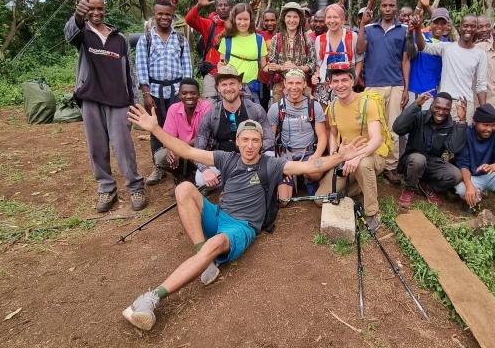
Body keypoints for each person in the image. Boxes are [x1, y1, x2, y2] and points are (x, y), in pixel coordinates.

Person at [123, 106, 368, 331]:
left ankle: (152, 298)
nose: (250, 145)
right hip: (219, 216)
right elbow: (186, 150)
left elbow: (308, 167)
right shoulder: (226, 158)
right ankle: (205, 259)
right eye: (245, 140)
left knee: (215, 244)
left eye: (255, 141)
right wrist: (155, 129)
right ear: (237, 142)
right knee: (183, 189)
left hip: (241, 228)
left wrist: (338, 157)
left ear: (262, 143)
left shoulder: (271, 164)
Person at [64, 0, 146, 212]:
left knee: (123, 146)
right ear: (84, 10)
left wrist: (134, 103)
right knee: (97, 147)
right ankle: (106, 188)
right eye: (91, 9)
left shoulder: (118, 39)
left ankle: (135, 187)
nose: (96, 13)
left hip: (119, 101)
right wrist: (77, 17)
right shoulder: (82, 33)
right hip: (91, 99)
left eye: (100, 8)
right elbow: (70, 34)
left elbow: (130, 73)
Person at [314, 65, 386, 229]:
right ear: (330, 84)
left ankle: (372, 212)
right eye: (335, 81)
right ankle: (361, 187)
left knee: (363, 165)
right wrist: (335, 155)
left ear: (352, 80)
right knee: (320, 199)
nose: (340, 85)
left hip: (371, 155)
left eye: (345, 80)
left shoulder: (367, 103)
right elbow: (333, 133)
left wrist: (357, 157)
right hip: (347, 158)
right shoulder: (332, 107)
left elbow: (377, 140)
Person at [136, 0, 192, 186]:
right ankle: (158, 166)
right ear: (154, 15)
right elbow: (141, 66)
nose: (164, 18)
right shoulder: (146, 39)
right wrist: (146, 93)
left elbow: (187, 67)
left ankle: (181, 165)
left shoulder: (180, 39)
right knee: (156, 129)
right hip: (155, 91)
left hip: (177, 90)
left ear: (173, 16)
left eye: (168, 15)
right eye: (160, 14)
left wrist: (185, 93)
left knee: (178, 128)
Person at [356, 0, 410, 184]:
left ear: (396, 8)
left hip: (395, 85)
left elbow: (406, 61)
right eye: (384, 5)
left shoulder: (403, 30)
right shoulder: (369, 28)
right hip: (373, 85)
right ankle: (373, 163)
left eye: (391, 5)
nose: (388, 9)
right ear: (380, 8)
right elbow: (360, 49)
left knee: (393, 127)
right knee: (373, 127)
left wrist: (405, 87)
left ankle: (390, 167)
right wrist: (363, 23)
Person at [193, 66, 275, 189]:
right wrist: (205, 170)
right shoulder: (211, 115)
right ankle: (241, 181)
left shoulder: (255, 110)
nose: (228, 88)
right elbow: (198, 149)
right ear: (218, 88)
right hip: (223, 160)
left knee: (270, 157)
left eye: (232, 84)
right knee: (200, 179)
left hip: (252, 156)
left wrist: (248, 155)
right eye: (224, 85)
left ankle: (236, 182)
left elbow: (270, 140)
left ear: (240, 85)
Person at [454, 104, 495, 237]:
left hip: (494, 173)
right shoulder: (467, 132)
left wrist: (494, 166)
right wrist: (469, 185)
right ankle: (473, 201)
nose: (489, 129)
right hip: (474, 175)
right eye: (485, 125)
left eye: (492, 125)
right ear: (475, 122)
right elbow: (462, 162)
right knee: (462, 189)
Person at [393, 91, 467, 208]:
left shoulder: (450, 126)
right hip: (411, 161)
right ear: (431, 104)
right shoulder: (419, 116)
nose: (441, 112)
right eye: (437, 107)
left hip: (432, 163)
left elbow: (454, 148)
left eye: (445, 109)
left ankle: (427, 187)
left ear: (449, 110)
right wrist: (415, 105)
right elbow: (398, 128)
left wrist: (462, 121)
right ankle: (409, 190)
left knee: (456, 175)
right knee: (419, 159)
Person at [415, 13, 487, 121]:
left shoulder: (480, 54)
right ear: (460, 27)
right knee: (440, 136)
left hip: (464, 103)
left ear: (476, 29)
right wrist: (417, 28)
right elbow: (423, 47)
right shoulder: (447, 47)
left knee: (461, 136)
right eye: (466, 25)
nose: (469, 29)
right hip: (443, 103)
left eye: (473, 26)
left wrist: (484, 110)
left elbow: (481, 85)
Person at [268, 70, 327, 201]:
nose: (294, 87)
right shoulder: (276, 108)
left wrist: (316, 155)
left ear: (305, 84)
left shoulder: (313, 106)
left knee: (314, 171)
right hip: (286, 156)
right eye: (290, 83)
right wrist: (278, 164)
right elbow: (269, 139)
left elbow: (322, 136)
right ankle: (293, 178)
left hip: (308, 154)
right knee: (283, 201)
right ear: (284, 84)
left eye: (298, 83)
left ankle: (309, 181)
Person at [154, 78, 212, 195]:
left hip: (201, 149)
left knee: (203, 154)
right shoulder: (173, 109)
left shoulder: (206, 107)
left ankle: (197, 180)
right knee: (161, 156)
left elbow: (206, 137)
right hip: (180, 150)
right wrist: (172, 149)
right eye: (184, 93)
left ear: (198, 95)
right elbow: (167, 137)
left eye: (193, 93)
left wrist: (180, 149)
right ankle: (181, 178)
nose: (189, 96)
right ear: (179, 95)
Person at [263, 2, 317, 103]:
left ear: (300, 19)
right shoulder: (277, 39)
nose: (291, 20)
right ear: (284, 18)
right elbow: (271, 64)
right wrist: (282, 67)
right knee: (279, 114)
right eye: (288, 16)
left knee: (302, 115)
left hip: (301, 86)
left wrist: (297, 68)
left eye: (295, 17)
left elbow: (312, 65)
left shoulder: (307, 40)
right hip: (280, 86)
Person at [185, 0, 229, 101]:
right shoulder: (209, 24)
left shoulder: (236, 26)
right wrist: (199, 6)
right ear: (216, 8)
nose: (223, 7)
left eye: (226, 5)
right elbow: (189, 19)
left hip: (230, 76)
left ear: (231, 8)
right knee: (210, 110)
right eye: (220, 5)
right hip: (211, 74)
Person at [313, 3, 363, 107]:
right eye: (329, 17)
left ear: (342, 19)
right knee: (325, 119)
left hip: (346, 85)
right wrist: (316, 74)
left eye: (335, 17)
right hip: (324, 87)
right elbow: (318, 63)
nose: (332, 21)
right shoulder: (320, 40)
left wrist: (354, 79)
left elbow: (359, 60)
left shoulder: (351, 37)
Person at [217, 3, 268, 105]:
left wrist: (274, 68)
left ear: (251, 20)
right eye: (239, 19)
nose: (242, 23)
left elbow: (264, 66)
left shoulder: (259, 39)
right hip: (230, 90)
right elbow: (222, 66)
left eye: (246, 19)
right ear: (234, 19)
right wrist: (220, 66)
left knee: (254, 118)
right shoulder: (227, 40)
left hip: (252, 89)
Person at [406, 7, 450, 109]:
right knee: (409, 122)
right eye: (436, 22)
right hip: (412, 89)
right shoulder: (420, 36)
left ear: (448, 25)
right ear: (430, 23)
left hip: (431, 93)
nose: (439, 26)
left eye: (443, 23)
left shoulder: (448, 45)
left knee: (425, 123)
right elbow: (411, 53)